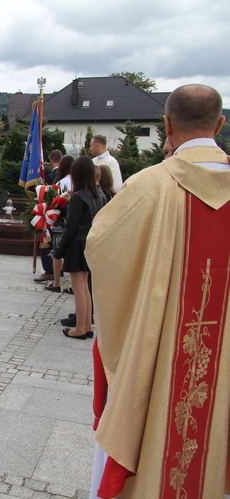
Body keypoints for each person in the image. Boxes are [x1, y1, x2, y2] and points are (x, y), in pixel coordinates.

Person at [86, 84, 230, 498]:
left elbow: (100, 247)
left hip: (165, 354)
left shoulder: (149, 187)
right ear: (220, 124)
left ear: (166, 125)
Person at [53, 156, 105, 339]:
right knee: (85, 287)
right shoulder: (100, 195)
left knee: (78, 287)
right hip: (91, 243)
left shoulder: (78, 197)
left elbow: (70, 228)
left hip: (77, 244)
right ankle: (87, 326)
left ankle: (80, 329)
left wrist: (59, 251)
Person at [46, 154, 75, 292]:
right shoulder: (77, 181)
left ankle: (57, 282)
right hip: (72, 222)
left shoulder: (61, 182)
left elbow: (53, 201)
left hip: (60, 221)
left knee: (57, 251)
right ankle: (71, 283)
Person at [35, 149, 64, 282]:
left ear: (51, 160)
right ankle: (58, 268)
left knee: (47, 241)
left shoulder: (52, 176)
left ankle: (49, 270)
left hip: (52, 214)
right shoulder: (67, 174)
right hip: (62, 216)